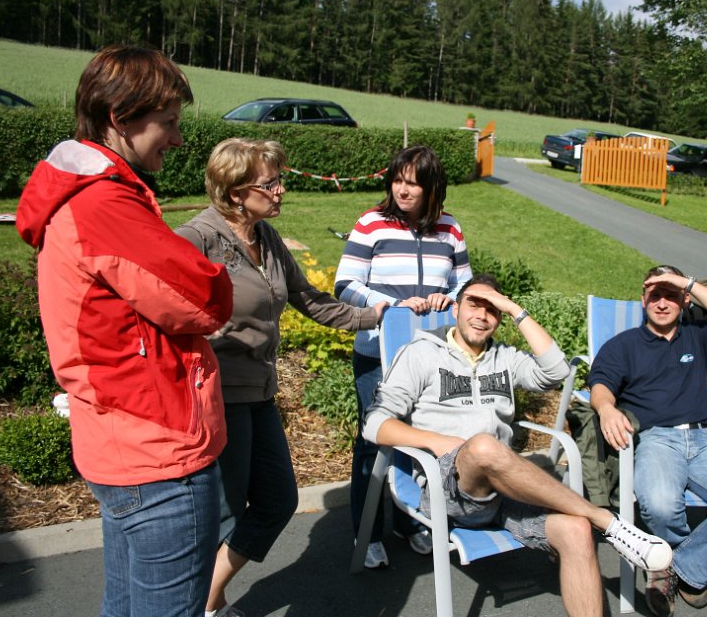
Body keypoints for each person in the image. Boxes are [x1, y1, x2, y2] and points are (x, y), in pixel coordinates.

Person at [15, 46, 233, 617]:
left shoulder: (85, 195)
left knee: (126, 606)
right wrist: (212, 272)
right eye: (169, 122)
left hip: (119, 437)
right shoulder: (105, 204)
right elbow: (205, 299)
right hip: (158, 451)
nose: (178, 139)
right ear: (120, 118)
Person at [362, 274, 673, 616]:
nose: (482, 316)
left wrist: (515, 310)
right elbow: (374, 423)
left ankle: (594, 522)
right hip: (447, 488)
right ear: (456, 309)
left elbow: (557, 372)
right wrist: (438, 442)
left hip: (505, 490)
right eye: (474, 305)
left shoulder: (506, 358)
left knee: (576, 530)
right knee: (482, 447)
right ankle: (605, 519)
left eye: (493, 309)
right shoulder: (420, 353)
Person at [176, 138, 388, 617]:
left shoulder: (266, 237)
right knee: (226, 511)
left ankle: (205, 597)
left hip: (259, 393)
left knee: (277, 500)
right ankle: (202, 604)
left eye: (279, 180)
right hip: (217, 395)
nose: (280, 190)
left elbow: (308, 298)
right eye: (270, 183)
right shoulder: (198, 239)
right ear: (236, 193)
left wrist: (373, 316)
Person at [335, 144, 472, 567]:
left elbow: (465, 287)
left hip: (431, 356)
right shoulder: (371, 224)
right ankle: (367, 534)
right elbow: (345, 285)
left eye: (413, 183)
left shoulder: (450, 229)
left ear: (432, 187)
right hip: (377, 352)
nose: (403, 190)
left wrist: (447, 298)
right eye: (397, 180)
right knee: (374, 440)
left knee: (421, 436)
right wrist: (393, 306)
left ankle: (411, 522)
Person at [587, 265, 707, 617]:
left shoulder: (698, 336)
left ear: (685, 300)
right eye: (654, 295)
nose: (662, 303)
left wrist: (684, 282)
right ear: (643, 300)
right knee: (659, 507)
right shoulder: (624, 345)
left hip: (705, 440)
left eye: (670, 295)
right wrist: (607, 409)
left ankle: (675, 568)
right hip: (657, 439)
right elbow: (600, 385)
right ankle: (690, 564)